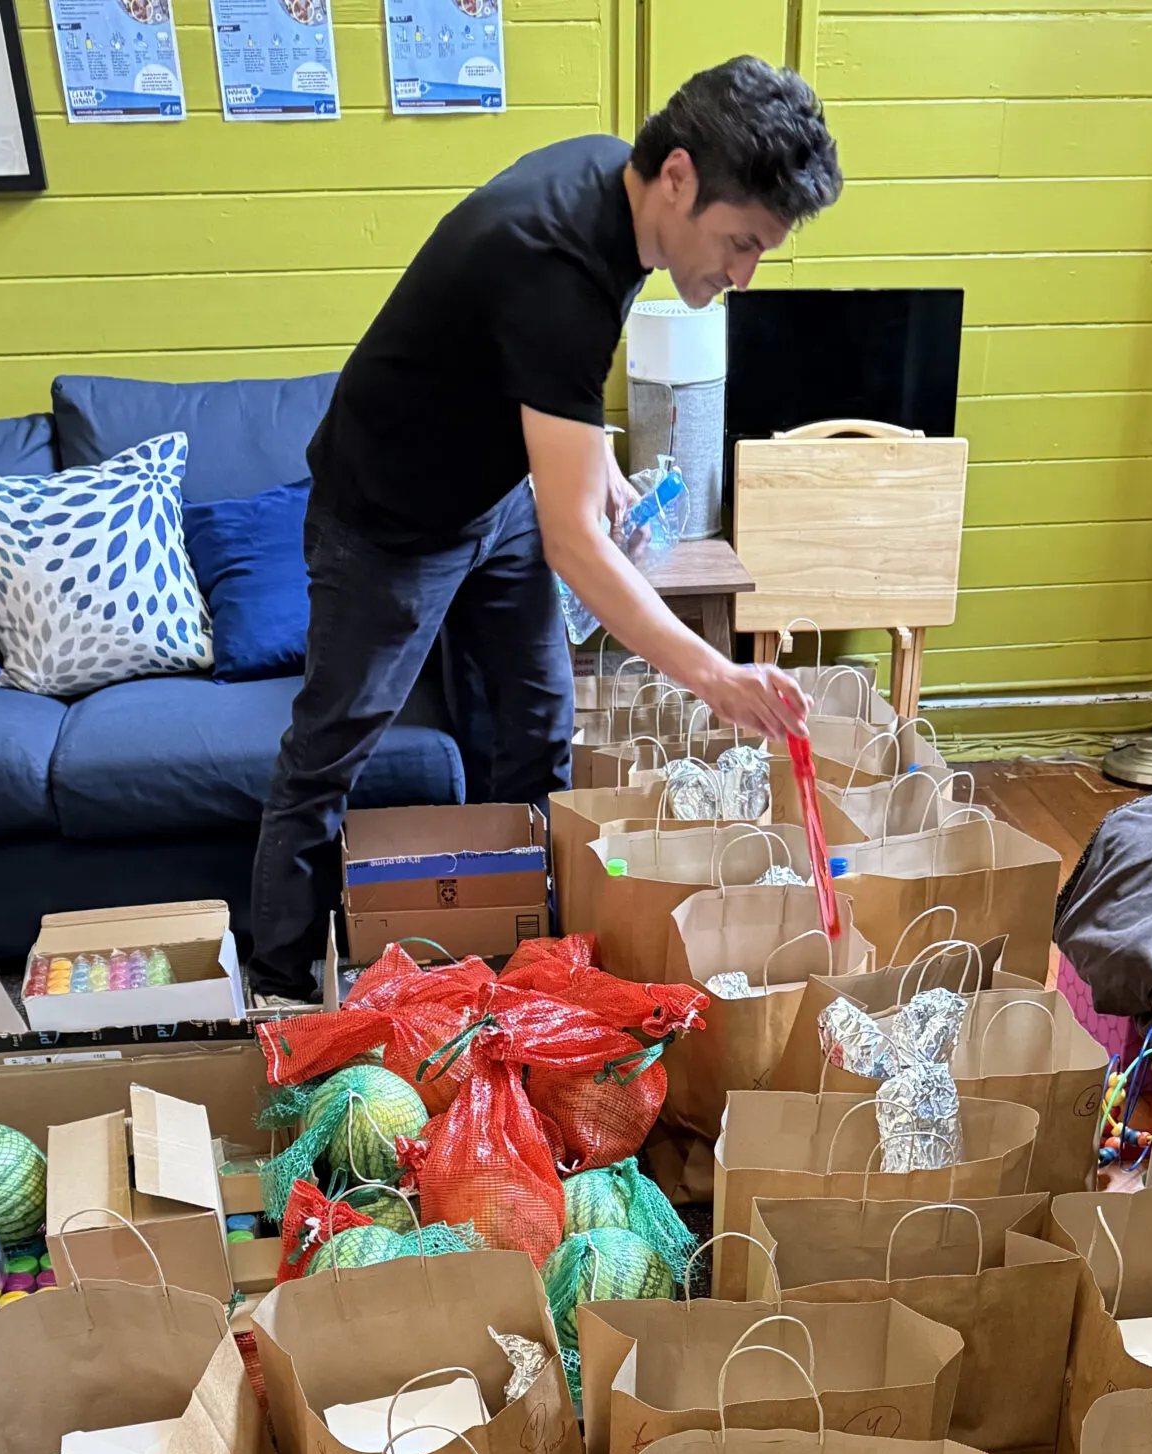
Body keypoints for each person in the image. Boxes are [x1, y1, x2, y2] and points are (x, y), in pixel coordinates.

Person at [247, 55, 844, 1002]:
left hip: (495, 500)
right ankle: (276, 987)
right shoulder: (554, 261)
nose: (742, 272)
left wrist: (598, 465)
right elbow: (576, 545)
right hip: (387, 521)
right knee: (331, 751)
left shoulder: (617, 187)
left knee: (538, 721)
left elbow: (538, 381)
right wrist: (716, 677)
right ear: (680, 178)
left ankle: (523, 960)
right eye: (739, 241)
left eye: (760, 249)